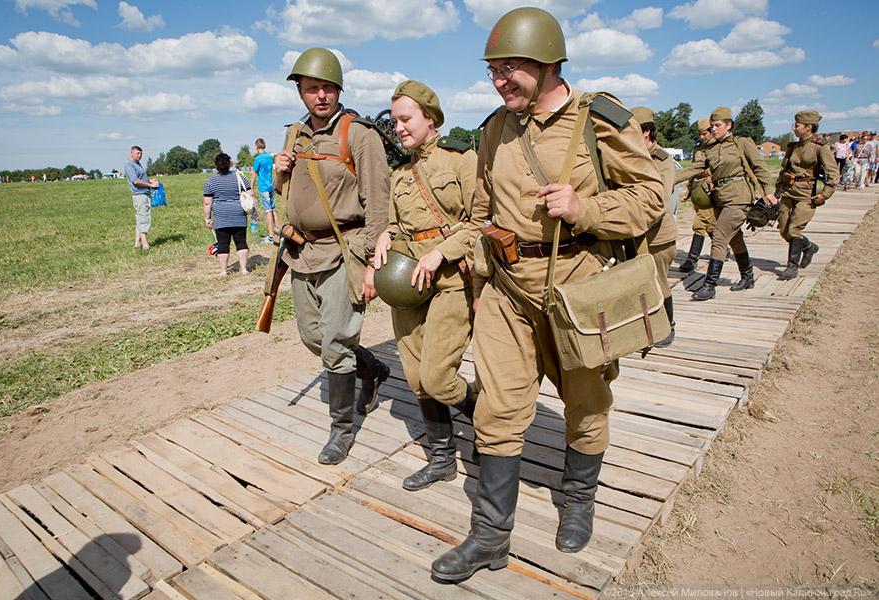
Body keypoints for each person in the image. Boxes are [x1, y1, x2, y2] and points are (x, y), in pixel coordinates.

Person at [429, 7, 664, 583]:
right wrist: (481, 283)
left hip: (581, 289)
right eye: (493, 70)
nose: (499, 79)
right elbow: (482, 213)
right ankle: (489, 537)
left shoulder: (598, 119)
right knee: (498, 410)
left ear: (547, 62)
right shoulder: (493, 129)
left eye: (510, 68)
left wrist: (588, 208)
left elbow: (652, 196)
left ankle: (578, 499)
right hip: (509, 292)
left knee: (586, 404)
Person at [274, 48, 391, 465]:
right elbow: (283, 193)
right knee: (313, 337)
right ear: (300, 92)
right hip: (301, 252)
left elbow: (378, 200)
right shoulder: (295, 135)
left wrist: (370, 259)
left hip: (344, 251)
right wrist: (280, 171)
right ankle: (372, 369)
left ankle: (340, 431)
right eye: (312, 89)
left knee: (337, 341)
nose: (320, 96)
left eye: (327, 88)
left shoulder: (359, 134)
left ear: (338, 89)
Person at [372, 80, 478, 491]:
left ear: (429, 118)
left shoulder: (460, 161)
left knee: (437, 377)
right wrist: (386, 235)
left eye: (406, 119)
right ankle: (441, 459)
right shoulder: (400, 172)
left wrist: (442, 252)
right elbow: (400, 223)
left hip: (451, 280)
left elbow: (480, 221)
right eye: (395, 121)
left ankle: (482, 414)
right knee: (416, 378)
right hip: (408, 285)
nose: (398, 128)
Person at [675, 108, 777, 301]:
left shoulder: (742, 143)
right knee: (734, 238)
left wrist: (768, 191)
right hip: (720, 198)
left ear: (729, 125)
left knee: (720, 236)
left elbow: (759, 167)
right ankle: (748, 276)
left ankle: (709, 285)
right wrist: (669, 179)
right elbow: (696, 168)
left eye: (717, 126)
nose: (713, 129)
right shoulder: (710, 149)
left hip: (739, 197)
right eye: (712, 126)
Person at [631, 107, 678, 347]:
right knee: (640, 283)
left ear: (647, 132)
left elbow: (660, 197)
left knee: (658, 281)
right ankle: (645, 328)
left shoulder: (661, 159)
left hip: (658, 234)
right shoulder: (631, 157)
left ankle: (668, 325)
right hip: (635, 234)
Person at [774, 111, 839, 280]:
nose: (794, 128)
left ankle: (792, 267)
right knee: (784, 230)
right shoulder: (792, 147)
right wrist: (777, 190)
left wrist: (825, 195)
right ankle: (809, 247)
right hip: (788, 191)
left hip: (807, 194)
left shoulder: (820, 147)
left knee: (794, 229)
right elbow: (784, 170)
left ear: (808, 127)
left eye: (797, 125)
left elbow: (833, 173)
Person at [677, 119, 717, 273]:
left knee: (700, 224)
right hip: (697, 191)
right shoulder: (698, 150)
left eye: (704, 133)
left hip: (710, 192)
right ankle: (722, 245)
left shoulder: (718, 149)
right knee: (709, 224)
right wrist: (688, 190)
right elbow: (694, 171)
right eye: (699, 134)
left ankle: (692, 260)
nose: (701, 137)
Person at [203, 153, 251, 276]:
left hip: (221, 217)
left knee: (223, 243)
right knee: (241, 242)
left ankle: (224, 271)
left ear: (216, 166)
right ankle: (244, 269)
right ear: (229, 164)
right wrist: (254, 212)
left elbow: (207, 203)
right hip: (238, 214)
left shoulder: (210, 181)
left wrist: (207, 218)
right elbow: (251, 194)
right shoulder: (239, 177)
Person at [124, 146, 159, 250]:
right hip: (140, 195)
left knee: (140, 218)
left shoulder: (137, 164)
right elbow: (136, 181)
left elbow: (141, 179)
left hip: (144, 193)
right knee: (144, 218)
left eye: (141, 154)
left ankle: (137, 243)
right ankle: (145, 244)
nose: (140, 155)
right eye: (137, 153)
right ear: (131, 153)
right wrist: (151, 186)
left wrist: (150, 181)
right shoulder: (129, 165)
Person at [252, 138, 276, 243]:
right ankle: (280, 234)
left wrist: (251, 188)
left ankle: (271, 237)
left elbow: (253, 174)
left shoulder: (258, 159)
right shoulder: (270, 157)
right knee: (273, 210)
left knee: (268, 211)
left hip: (263, 187)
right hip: (271, 186)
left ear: (256, 147)